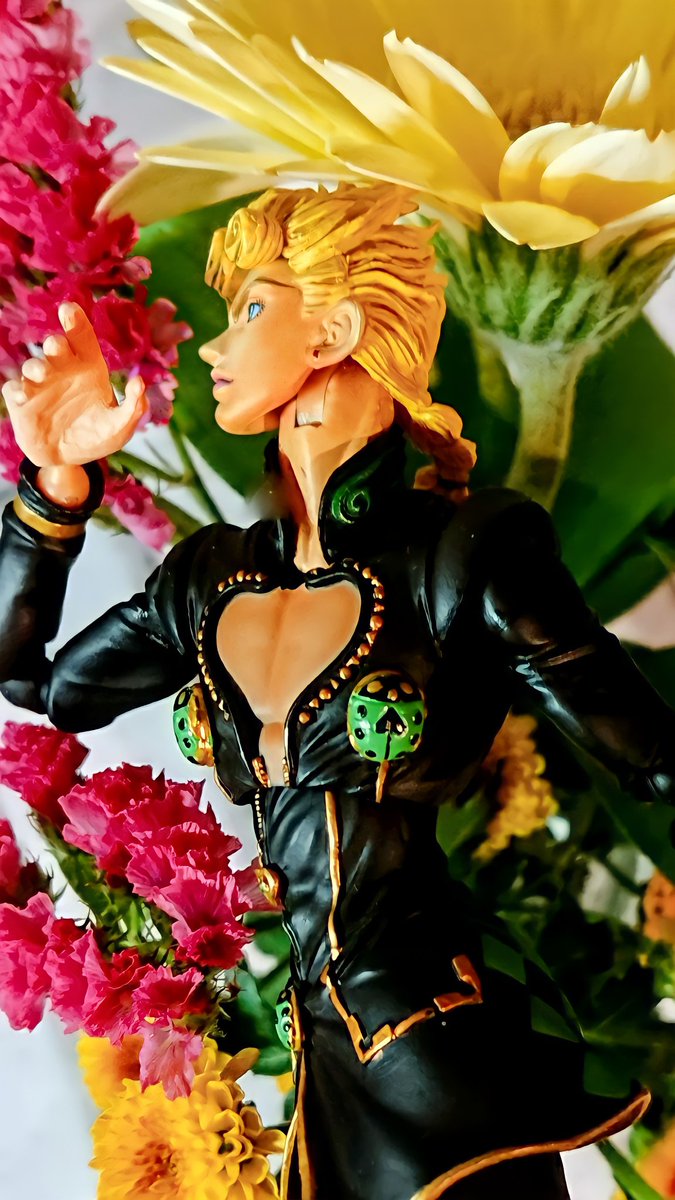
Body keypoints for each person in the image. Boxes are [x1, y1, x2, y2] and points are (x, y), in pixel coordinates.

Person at [0, 182, 673, 1200]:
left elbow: (652, 755)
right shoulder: (208, 576)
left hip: (439, 1043)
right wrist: (52, 490)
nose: (215, 349)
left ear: (337, 331)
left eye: (250, 310)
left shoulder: (462, 553)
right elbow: (38, 683)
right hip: (321, 1049)